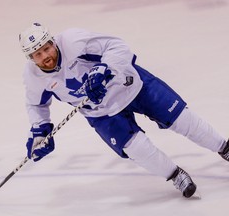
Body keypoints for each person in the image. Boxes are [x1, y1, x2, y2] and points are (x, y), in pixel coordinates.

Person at [19, 22, 228, 198]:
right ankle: (175, 175)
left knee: (183, 120)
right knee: (137, 148)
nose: (45, 55)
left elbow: (117, 46)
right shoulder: (33, 77)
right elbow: (36, 104)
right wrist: (40, 129)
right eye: (37, 54)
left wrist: (103, 68)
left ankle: (224, 148)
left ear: (53, 42)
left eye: (47, 48)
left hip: (131, 85)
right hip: (101, 113)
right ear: (31, 58)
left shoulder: (73, 41)